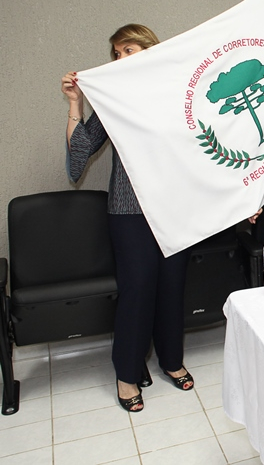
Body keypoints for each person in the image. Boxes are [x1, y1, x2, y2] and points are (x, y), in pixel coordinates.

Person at [62, 24, 194, 413]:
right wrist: (75, 104)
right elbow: (79, 156)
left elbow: (204, 149)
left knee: (172, 287)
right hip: (129, 210)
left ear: (150, 50)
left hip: (175, 209)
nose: (120, 58)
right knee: (137, 291)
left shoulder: (179, 94)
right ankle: (127, 374)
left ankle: (171, 361)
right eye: (116, 53)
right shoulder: (113, 100)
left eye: (128, 50)